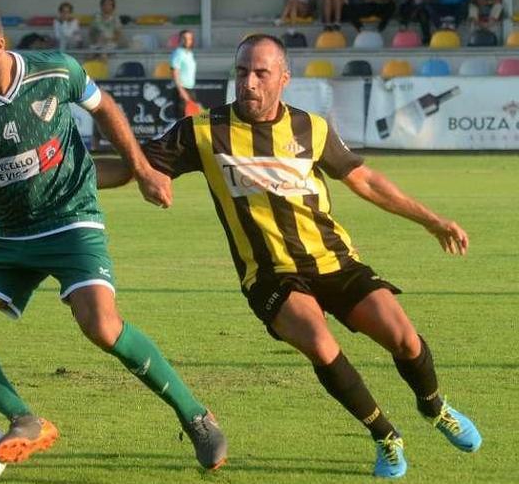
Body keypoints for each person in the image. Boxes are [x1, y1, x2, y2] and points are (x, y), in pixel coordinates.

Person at [97, 34, 482, 479]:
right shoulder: (204, 130)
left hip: (334, 261)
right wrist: (69, 175)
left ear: (283, 78)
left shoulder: (311, 129)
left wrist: (431, 220)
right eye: (242, 72)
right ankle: (385, 435)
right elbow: (133, 166)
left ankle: (435, 408)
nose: (250, 83)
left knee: (404, 339)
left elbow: (368, 182)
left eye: (261, 73)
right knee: (320, 344)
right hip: (269, 274)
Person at [0, 0, 227, 470]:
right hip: (10, 237)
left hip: (72, 219)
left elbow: (105, 107)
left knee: (102, 325)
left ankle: (197, 418)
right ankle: (24, 419)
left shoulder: (56, 71)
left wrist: (142, 169)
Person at [170, 30, 198, 118]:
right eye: (184, 38)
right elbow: (174, 73)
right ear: (180, 40)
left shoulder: (190, 53)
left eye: (189, 38)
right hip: (181, 90)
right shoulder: (178, 53)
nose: (187, 41)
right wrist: (182, 91)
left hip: (190, 89)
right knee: (182, 119)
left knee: (191, 118)